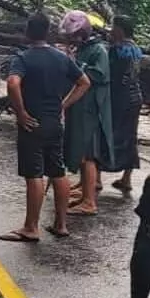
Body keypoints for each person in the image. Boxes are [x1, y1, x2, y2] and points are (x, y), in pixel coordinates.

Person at [0, 12, 91, 243]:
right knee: (58, 172)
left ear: (28, 32)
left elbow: (13, 82)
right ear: (48, 31)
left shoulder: (23, 58)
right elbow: (84, 82)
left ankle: (31, 227)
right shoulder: (61, 57)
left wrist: (21, 112)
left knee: (34, 175)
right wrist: (63, 104)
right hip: (55, 123)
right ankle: (61, 224)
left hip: (33, 123)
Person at [59, 11, 113, 217]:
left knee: (87, 154)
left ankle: (89, 201)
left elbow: (98, 75)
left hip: (91, 108)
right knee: (81, 152)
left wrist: (74, 65)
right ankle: (84, 191)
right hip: (80, 107)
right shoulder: (83, 48)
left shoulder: (98, 50)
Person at [106, 15, 143, 193]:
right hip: (135, 96)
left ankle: (95, 178)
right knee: (130, 137)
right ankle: (126, 178)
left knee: (106, 133)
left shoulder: (117, 50)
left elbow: (109, 73)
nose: (111, 29)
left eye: (113, 27)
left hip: (119, 97)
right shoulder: (136, 48)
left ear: (120, 29)